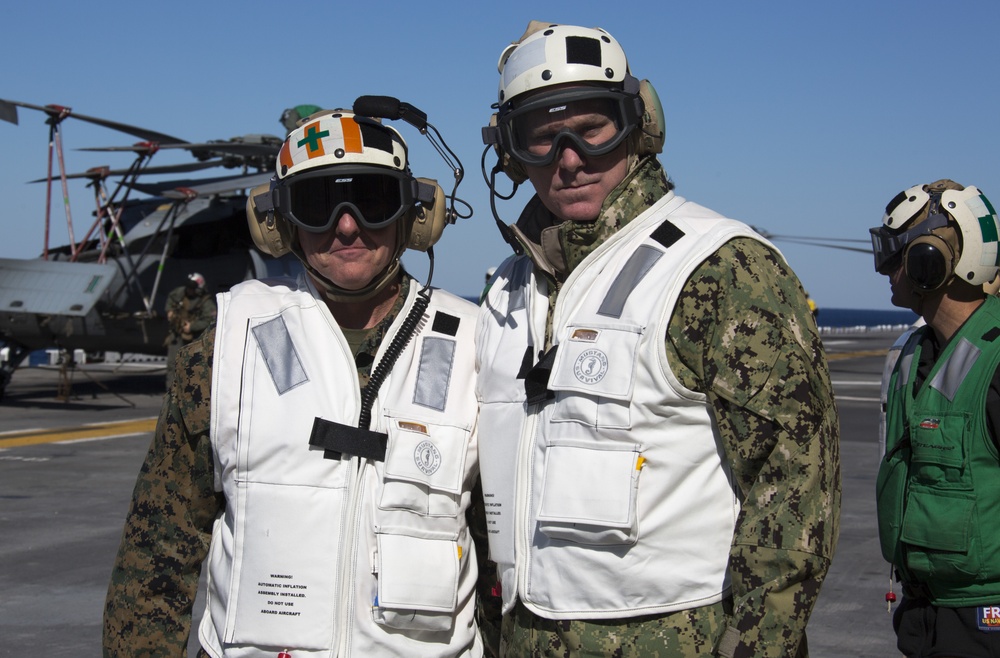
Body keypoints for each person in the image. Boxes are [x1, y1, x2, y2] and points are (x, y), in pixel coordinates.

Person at [475, 21, 841, 657]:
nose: (567, 158)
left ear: (638, 127)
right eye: (539, 139)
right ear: (510, 154)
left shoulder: (719, 267)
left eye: (592, 131)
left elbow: (796, 480)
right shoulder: (506, 290)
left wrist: (759, 646)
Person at [104, 108, 484, 656]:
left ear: (415, 215)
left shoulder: (477, 346)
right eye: (317, 203)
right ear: (278, 223)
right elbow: (158, 554)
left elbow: (502, 565)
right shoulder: (224, 344)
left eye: (372, 201)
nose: (347, 224)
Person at [871, 179, 1000, 658]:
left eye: (895, 253)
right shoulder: (912, 355)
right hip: (925, 616)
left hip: (985, 620)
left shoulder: (996, 361)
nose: (884, 268)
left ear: (931, 260)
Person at [164, 271, 216, 387]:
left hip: (195, 339)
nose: (189, 290)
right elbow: (170, 301)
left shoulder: (206, 303)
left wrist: (192, 326)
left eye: (192, 288)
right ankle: (171, 395)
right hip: (178, 334)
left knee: (194, 368)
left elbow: (209, 320)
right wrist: (170, 311)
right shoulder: (180, 293)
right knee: (173, 365)